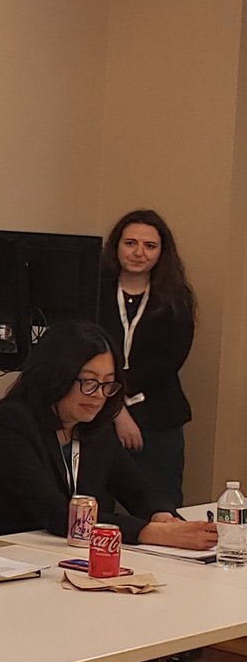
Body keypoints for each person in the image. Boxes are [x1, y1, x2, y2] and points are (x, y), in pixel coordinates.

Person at [0, 321, 217, 552]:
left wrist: (161, 515)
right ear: (58, 374)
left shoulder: (95, 428)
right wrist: (150, 533)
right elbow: (57, 514)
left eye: (107, 385)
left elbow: (137, 488)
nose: (98, 396)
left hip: (42, 557)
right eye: (89, 382)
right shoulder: (11, 423)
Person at [97, 209, 197, 508]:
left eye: (149, 246)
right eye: (130, 243)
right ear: (116, 246)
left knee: (160, 508)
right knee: (94, 509)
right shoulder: (92, 291)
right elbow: (82, 351)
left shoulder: (176, 298)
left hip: (158, 416)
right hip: (96, 412)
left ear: (161, 253)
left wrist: (118, 393)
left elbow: (169, 359)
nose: (139, 253)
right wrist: (117, 410)